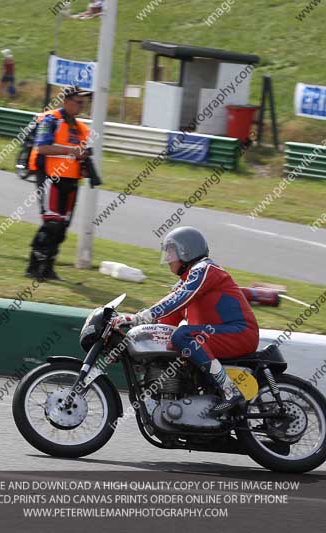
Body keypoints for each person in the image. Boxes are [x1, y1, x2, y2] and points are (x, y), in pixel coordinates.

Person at [112, 226, 260, 415]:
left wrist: (142, 316)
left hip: (239, 333)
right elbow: (167, 320)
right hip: (218, 336)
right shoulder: (187, 280)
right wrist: (130, 327)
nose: (167, 258)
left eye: (171, 252)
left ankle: (230, 390)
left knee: (183, 335)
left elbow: (179, 298)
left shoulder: (205, 269)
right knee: (170, 340)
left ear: (186, 250)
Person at [25, 87, 92, 281]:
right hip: (50, 177)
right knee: (51, 224)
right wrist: (73, 151)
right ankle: (34, 266)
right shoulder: (50, 120)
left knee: (62, 227)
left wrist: (84, 167)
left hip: (71, 181)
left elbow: (78, 156)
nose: (82, 106)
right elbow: (43, 147)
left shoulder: (82, 129)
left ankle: (48, 268)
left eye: (83, 103)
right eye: (78, 102)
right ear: (66, 101)